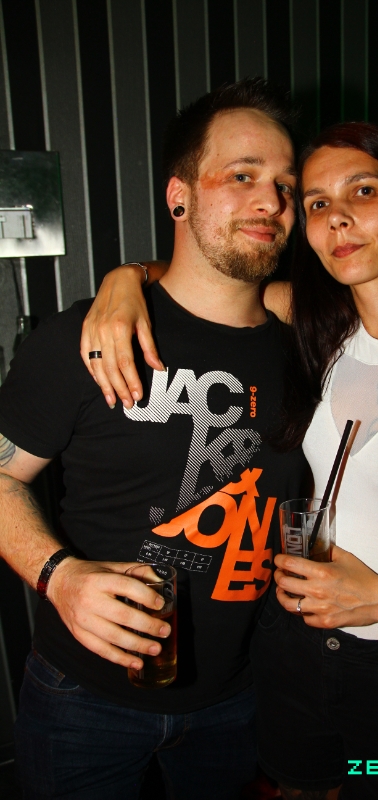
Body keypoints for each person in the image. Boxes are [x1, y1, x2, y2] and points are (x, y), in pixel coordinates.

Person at [79, 119, 378, 800]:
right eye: (317, 202)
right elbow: (198, 281)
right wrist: (124, 279)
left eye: (363, 191)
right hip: (289, 645)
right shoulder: (316, 323)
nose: (337, 218)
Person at [0, 78, 309, 800]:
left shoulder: (312, 345)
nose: (271, 202)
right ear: (179, 196)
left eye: (287, 187)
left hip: (240, 697)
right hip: (84, 698)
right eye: (242, 176)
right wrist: (58, 576)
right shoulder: (83, 338)